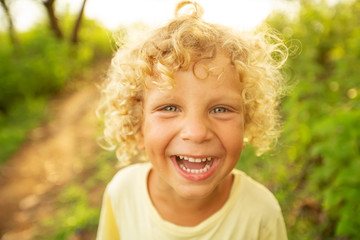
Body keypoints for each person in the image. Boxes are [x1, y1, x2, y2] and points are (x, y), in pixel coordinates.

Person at [96, 1, 288, 239]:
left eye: (220, 109)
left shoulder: (261, 214)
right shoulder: (121, 193)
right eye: (169, 107)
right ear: (138, 125)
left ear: (247, 123)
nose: (196, 132)